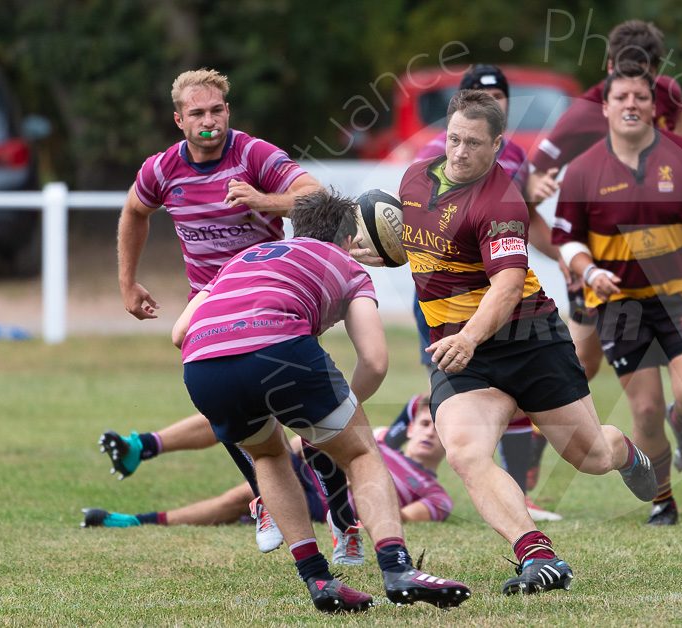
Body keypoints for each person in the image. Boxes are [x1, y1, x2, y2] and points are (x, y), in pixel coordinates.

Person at [400, 89, 657, 595]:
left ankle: (626, 453)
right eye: (453, 139)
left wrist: (470, 336)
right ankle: (538, 556)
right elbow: (413, 243)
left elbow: (509, 285)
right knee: (466, 453)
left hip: (529, 340)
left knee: (590, 457)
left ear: (497, 146)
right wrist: (374, 250)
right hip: (463, 352)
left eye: (473, 143)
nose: (459, 152)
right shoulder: (415, 179)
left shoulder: (501, 200)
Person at [172, 189, 467, 612]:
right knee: (361, 451)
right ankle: (397, 568)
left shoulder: (244, 258)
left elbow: (178, 333)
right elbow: (375, 361)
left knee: (269, 456)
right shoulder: (348, 266)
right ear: (348, 240)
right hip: (280, 348)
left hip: (201, 363)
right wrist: (339, 416)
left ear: (297, 227)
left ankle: (318, 580)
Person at [110, 68, 324, 551]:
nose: (209, 121)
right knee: (223, 405)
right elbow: (134, 212)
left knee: (296, 408)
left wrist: (265, 200)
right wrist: (127, 283)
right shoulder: (162, 169)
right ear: (179, 120)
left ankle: (341, 516)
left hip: (272, 297)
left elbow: (317, 197)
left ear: (228, 111)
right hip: (209, 302)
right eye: (197, 113)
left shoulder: (252, 154)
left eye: (217, 110)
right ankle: (264, 496)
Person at [551, 62, 682, 527]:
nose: (630, 104)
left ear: (654, 107)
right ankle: (662, 500)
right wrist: (588, 270)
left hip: (681, 293)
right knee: (646, 407)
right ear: (606, 108)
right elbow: (565, 237)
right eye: (621, 97)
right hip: (618, 303)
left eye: (640, 97)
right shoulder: (584, 169)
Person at [411, 64, 562, 522]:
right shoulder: (439, 155)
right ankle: (423, 478)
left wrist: (573, 261)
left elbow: (523, 223)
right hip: (449, 299)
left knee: (512, 394)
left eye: (497, 96)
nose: (490, 102)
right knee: (447, 397)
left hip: (503, 299)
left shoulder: (514, 153)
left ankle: (515, 493)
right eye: (477, 94)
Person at [83, 395, 452, 567]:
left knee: (237, 496)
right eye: (423, 423)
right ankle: (145, 444)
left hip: (325, 503)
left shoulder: (434, 493)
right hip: (306, 469)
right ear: (409, 426)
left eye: (438, 429)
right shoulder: (383, 439)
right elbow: (306, 443)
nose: (428, 433)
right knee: (243, 412)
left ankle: (137, 520)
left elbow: (395, 518)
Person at [533, 19, 682, 405]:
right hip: (600, 266)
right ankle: (534, 438)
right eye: (625, 83)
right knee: (581, 364)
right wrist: (570, 258)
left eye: (646, 82)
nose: (635, 99)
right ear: (609, 70)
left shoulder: (670, 93)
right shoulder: (584, 116)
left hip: (660, 263)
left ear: (657, 73)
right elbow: (521, 202)